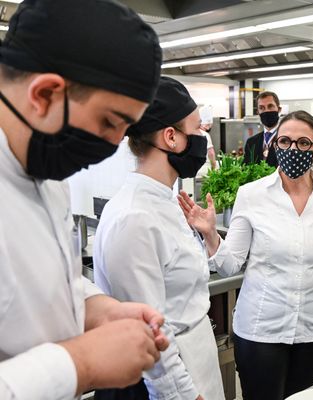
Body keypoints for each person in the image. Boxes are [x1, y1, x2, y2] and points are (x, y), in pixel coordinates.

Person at [0, 1, 169, 399]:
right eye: (109, 121)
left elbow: (35, 278)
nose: (113, 145)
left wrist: (95, 309)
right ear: (43, 94)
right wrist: (81, 364)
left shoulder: (44, 167)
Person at [178, 110, 313, 400]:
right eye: (285, 141)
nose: (293, 149)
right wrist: (209, 233)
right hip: (262, 328)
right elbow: (231, 264)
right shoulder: (251, 195)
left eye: (303, 143)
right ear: (273, 146)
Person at [93, 76, 223, 400]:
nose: (202, 139)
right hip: (162, 383)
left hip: (195, 358)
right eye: (196, 129)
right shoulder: (134, 218)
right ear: (171, 137)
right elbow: (152, 334)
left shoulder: (165, 200)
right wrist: (185, 396)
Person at [242, 90, 280, 167]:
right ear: (258, 112)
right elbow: (245, 169)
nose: (266, 111)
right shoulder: (251, 142)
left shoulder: (287, 140)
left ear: (279, 109)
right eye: (262, 108)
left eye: (270, 106)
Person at [199, 105, 217, 170]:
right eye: (209, 125)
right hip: (205, 168)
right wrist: (214, 166)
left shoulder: (192, 132)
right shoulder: (205, 134)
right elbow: (211, 153)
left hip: (194, 168)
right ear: (207, 125)